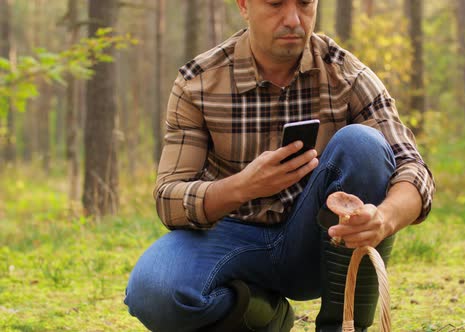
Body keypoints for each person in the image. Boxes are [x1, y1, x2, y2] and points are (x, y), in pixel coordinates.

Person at [124, 0, 435, 331]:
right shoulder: (198, 83)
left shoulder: (347, 75)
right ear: (244, 5)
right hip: (230, 237)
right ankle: (264, 314)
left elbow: (414, 170)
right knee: (152, 292)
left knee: (363, 144)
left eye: (304, 3)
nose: (293, 19)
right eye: (275, 4)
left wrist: (383, 219)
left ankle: (343, 326)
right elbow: (169, 198)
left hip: (323, 243)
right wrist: (243, 186)